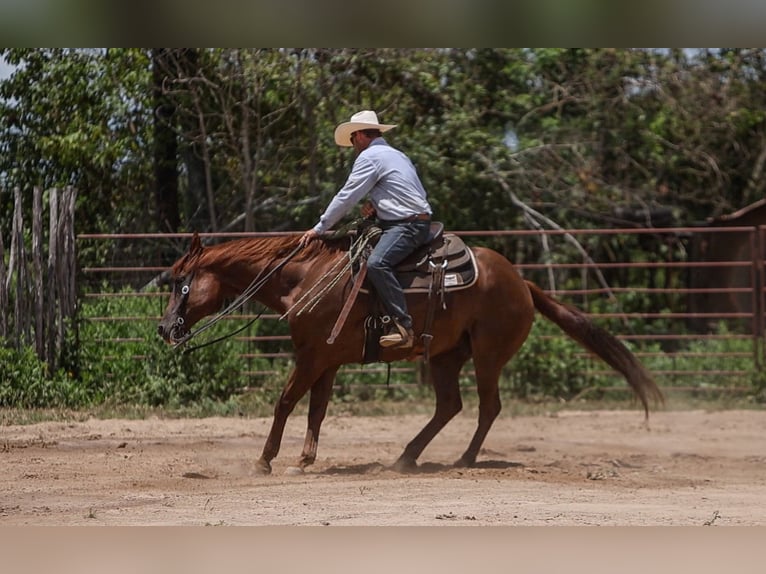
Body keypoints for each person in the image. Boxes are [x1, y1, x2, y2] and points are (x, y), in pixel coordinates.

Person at [299, 110, 433, 349]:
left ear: (360, 135)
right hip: (411, 220)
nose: (352, 145)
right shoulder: (395, 155)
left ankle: (403, 326)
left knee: (377, 264)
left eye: (352, 139)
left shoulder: (370, 157)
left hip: (406, 225)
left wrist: (320, 228)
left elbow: (347, 196)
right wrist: (380, 204)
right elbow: (410, 192)